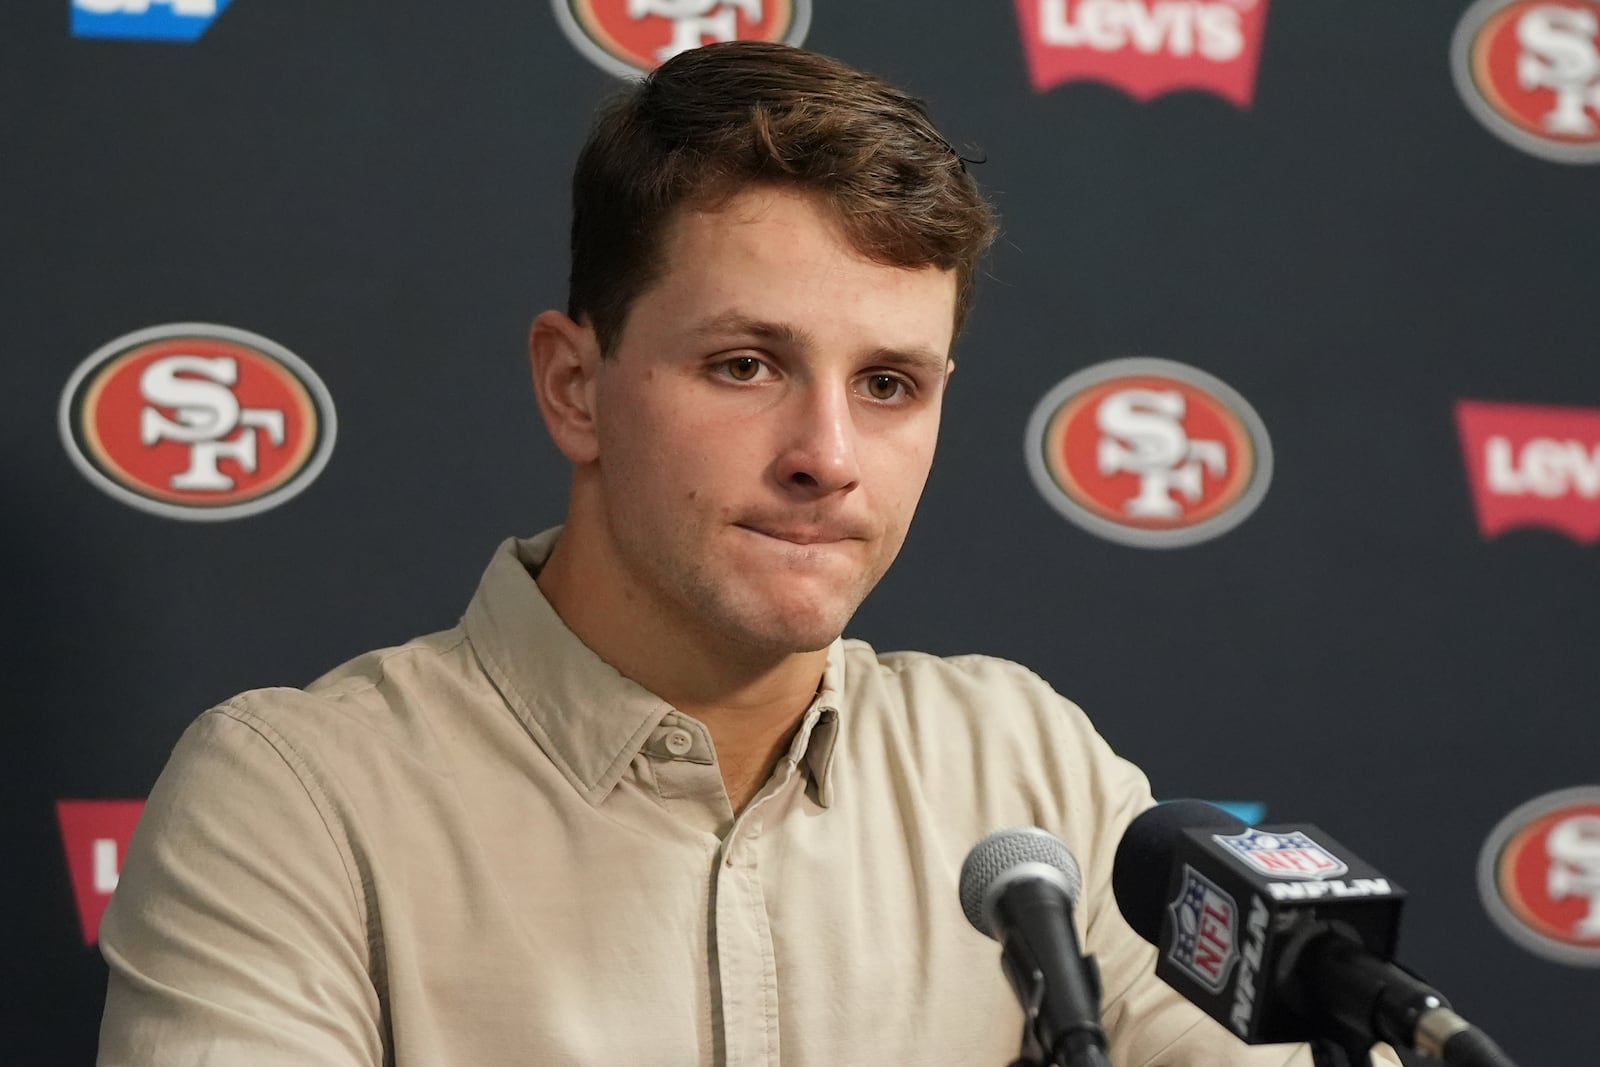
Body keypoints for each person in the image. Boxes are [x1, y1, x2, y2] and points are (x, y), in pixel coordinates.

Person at [97, 41, 1395, 1067]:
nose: (826, 453)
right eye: (745, 364)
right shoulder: (300, 801)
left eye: (889, 383)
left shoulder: (1023, 763)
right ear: (574, 386)